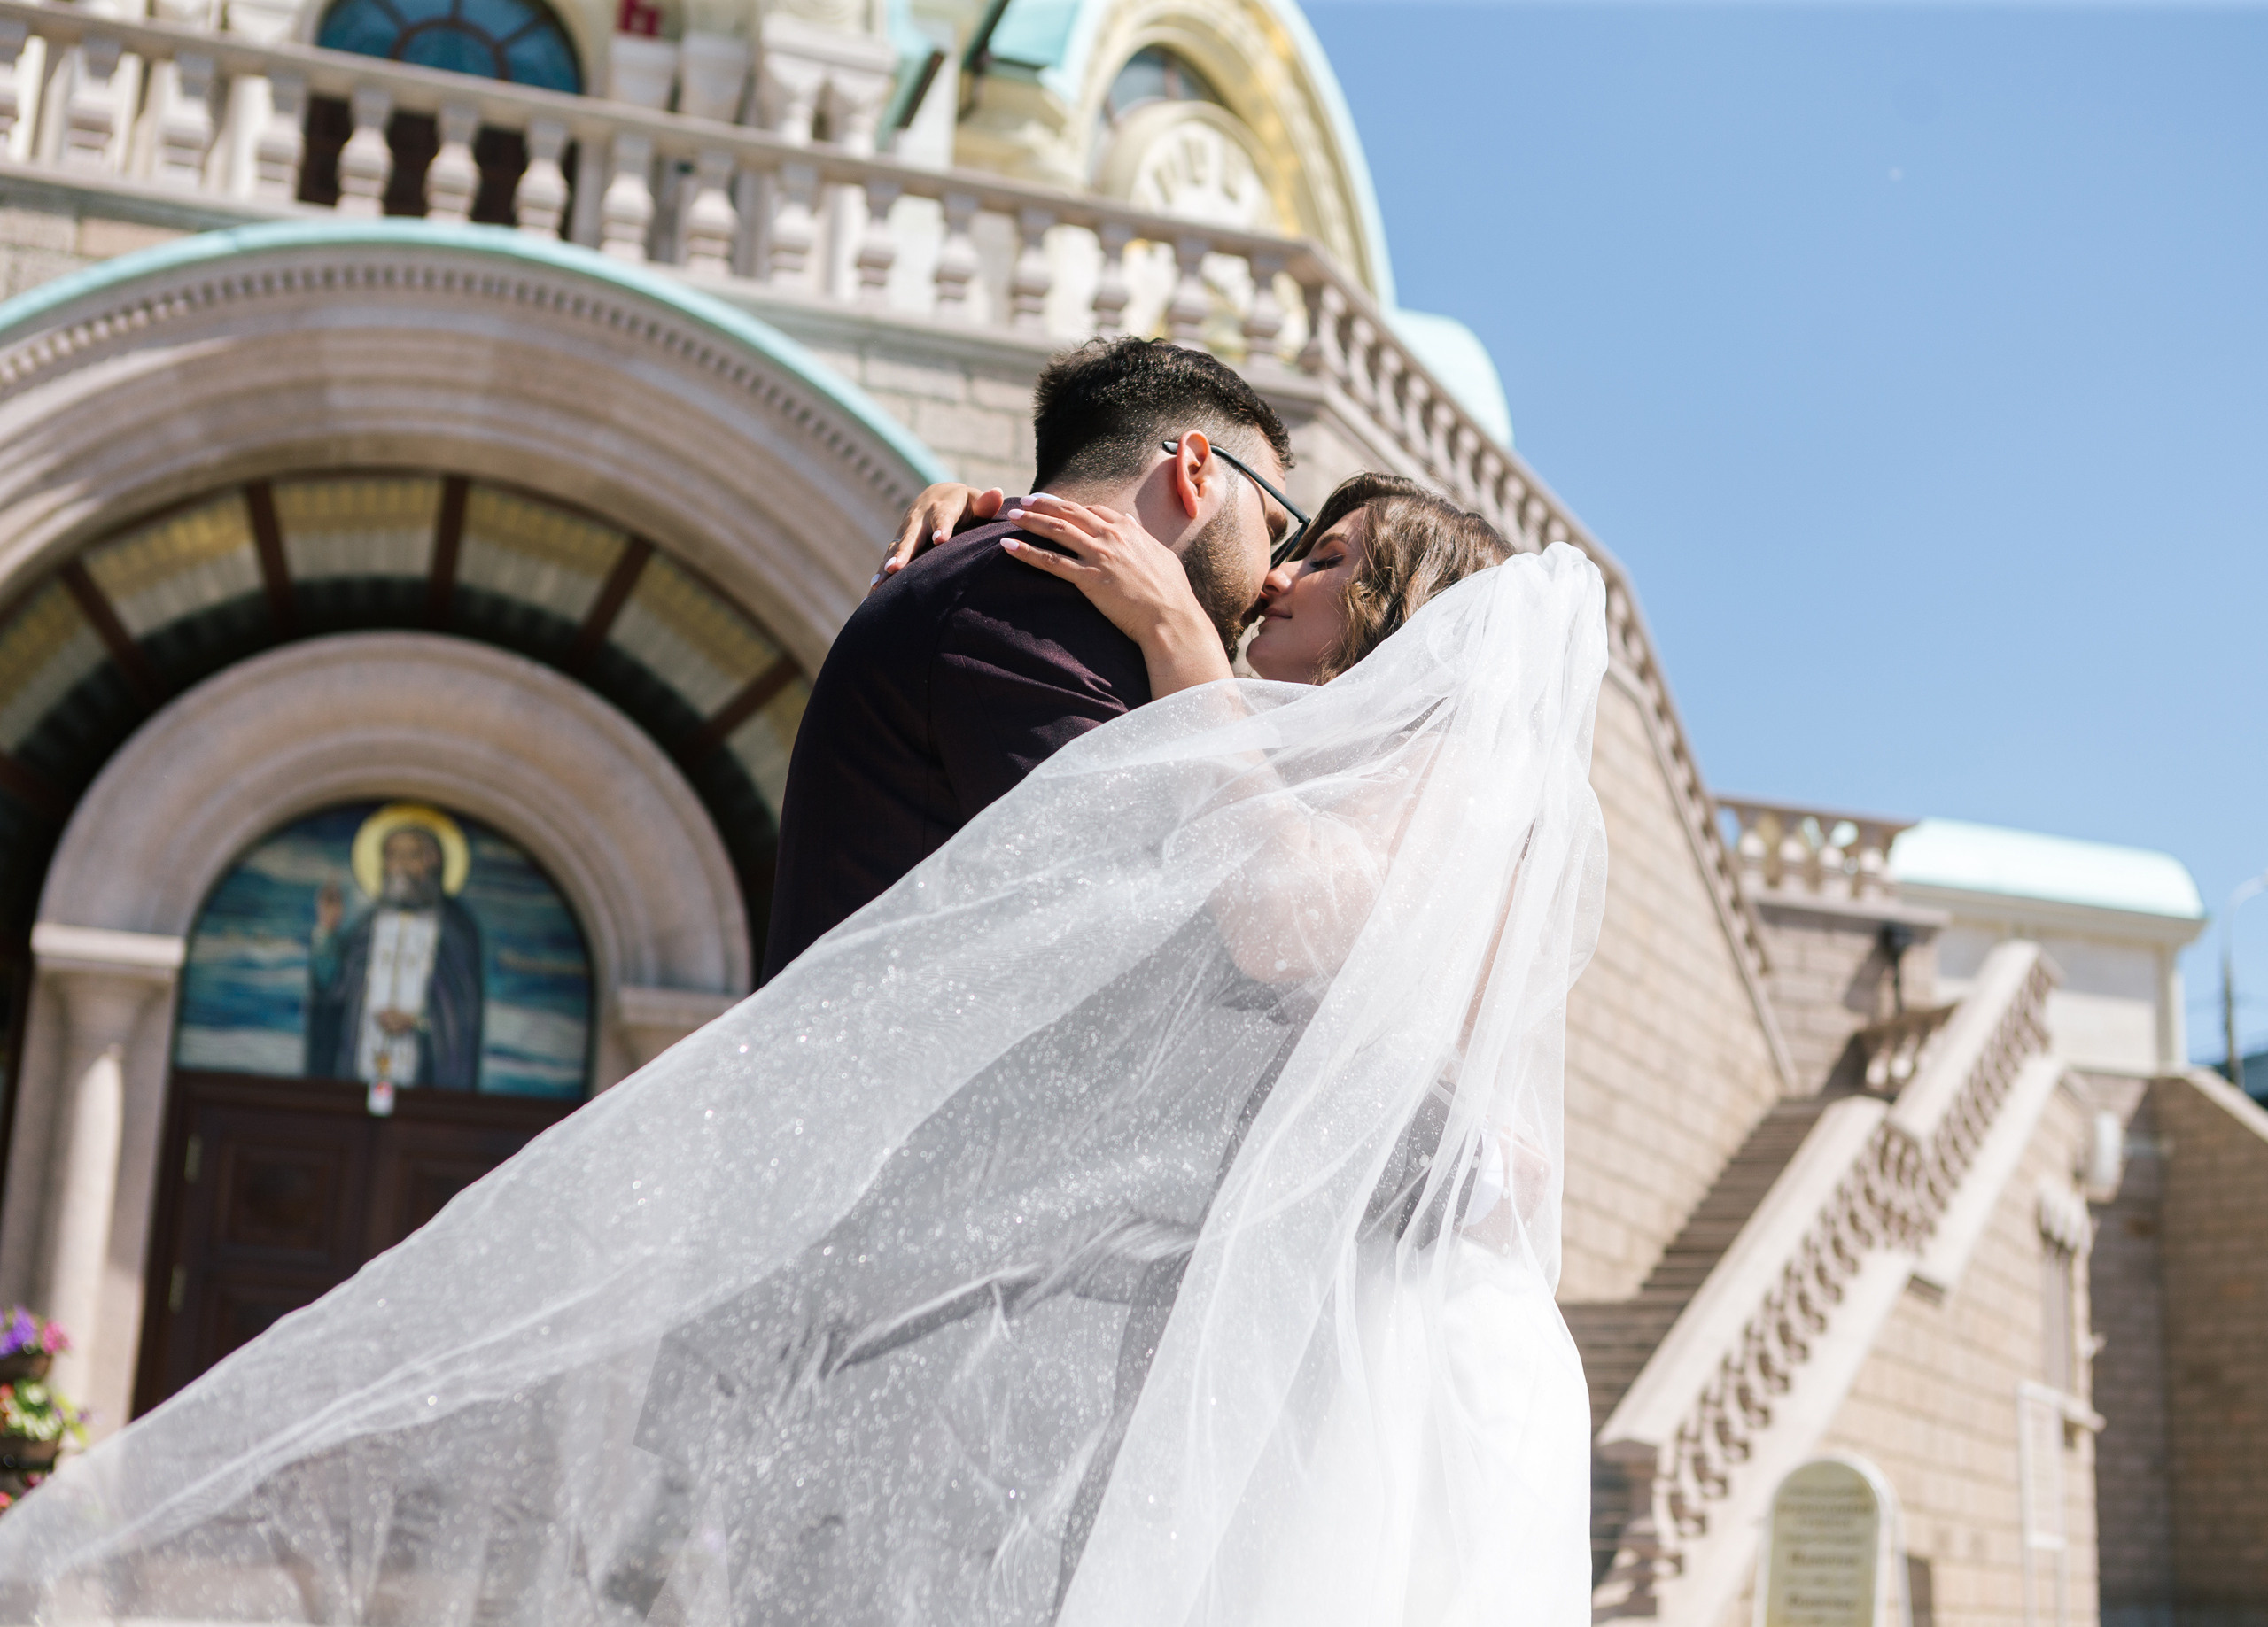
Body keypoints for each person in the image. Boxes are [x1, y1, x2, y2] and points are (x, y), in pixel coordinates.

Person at [0, 467, 1605, 1627]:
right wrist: (1007, 520)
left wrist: (1182, 657)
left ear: (1400, 613)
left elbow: (1294, 928)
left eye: (1328, 558)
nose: (1282, 577)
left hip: (1388, 1336)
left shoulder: (1458, 779)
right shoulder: (1328, 754)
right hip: (1287, 1312)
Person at [762, 336, 1296, 980]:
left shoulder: (1018, 582)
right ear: (1196, 471)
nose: (1274, 578)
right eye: (1273, 528)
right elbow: (1157, 949)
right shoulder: (1025, 597)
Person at [306, 823, 484, 1090]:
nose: (399, 865)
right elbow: (331, 989)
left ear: (434, 863)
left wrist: (419, 1022)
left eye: (410, 856)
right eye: (391, 856)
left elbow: (461, 1014)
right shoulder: (367, 926)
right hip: (357, 1075)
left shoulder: (456, 932)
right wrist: (327, 931)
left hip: (425, 1089)